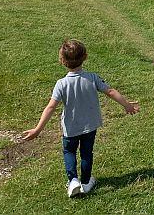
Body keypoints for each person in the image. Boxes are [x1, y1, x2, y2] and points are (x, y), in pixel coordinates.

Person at [23, 39, 139, 197]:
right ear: (85, 57)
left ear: (62, 60)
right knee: (86, 153)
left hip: (70, 128)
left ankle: (73, 181)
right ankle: (85, 182)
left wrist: (38, 129)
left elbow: (50, 107)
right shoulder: (92, 78)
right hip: (90, 126)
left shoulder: (61, 84)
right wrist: (127, 105)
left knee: (69, 152)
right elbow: (110, 91)